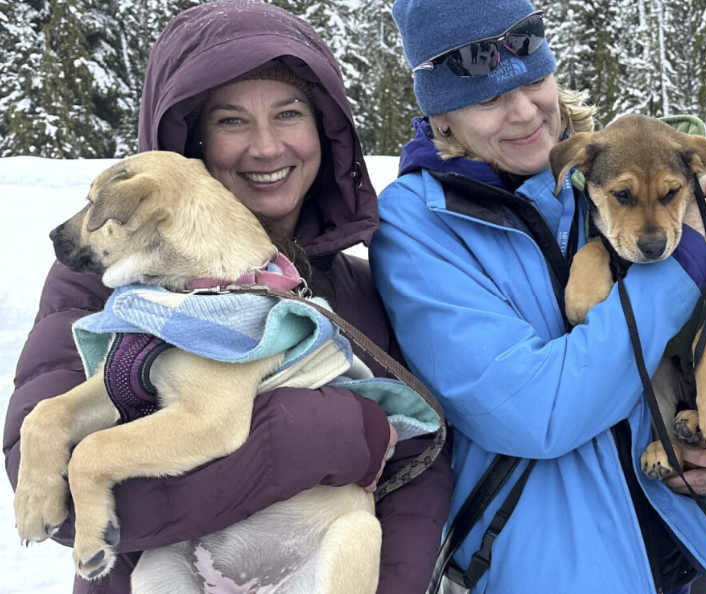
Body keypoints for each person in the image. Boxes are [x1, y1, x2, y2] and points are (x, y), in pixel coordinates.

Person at [2, 2, 451, 593]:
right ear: (193, 142)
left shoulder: (363, 286)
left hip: (315, 553)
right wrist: (321, 432)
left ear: (325, 131)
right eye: (232, 120)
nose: (266, 148)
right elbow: (53, 501)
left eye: (289, 113)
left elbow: (418, 483)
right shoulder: (109, 282)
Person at [370, 0, 706, 592]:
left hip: (686, 548)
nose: (524, 113)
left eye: (535, 80)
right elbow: (532, 412)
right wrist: (689, 259)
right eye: (490, 98)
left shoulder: (616, 168)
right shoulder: (417, 225)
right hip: (550, 567)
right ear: (440, 114)